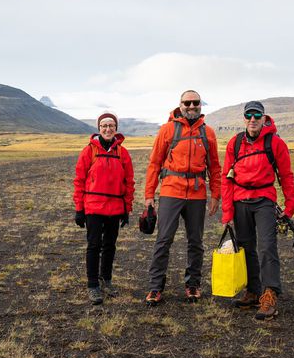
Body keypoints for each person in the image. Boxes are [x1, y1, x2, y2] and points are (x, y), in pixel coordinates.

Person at [221, 100, 294, 320]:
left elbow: (285, 176)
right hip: (239, 200)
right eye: (249, 116)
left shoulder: (275, 143)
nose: (252, 119)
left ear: (264, 118)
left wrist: (290, 205)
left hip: (264, 199)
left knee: (267, 247)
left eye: (257, 115)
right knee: (246, 247)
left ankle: (270, 294)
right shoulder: (235, 143)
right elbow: (226, 179)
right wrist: (227, 212)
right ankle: (253, 291)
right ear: (244, 118)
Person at [144, 90, 222, 305]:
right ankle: (155, 287)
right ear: (180, 104)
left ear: (200, 105)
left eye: (195, 102)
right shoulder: (167, 130)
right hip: (171, 191)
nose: (191, 106)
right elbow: (154, 164)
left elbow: (215, 167)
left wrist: (216, 194)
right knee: (163, 240)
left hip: (197, 194)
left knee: (196, 242)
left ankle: (193, 285)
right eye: (187, 102)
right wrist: (149, 195)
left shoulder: (209, 133)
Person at [73, 112, 135, 305]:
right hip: (93, 207)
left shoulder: (122, 153)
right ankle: (93, 285)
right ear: (99, 129)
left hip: (115, 208)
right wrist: (79, 209)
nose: (108, 129)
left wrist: (127, 208)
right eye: (104, 126)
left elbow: (129, 182)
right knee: (94, 246)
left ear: (116, 129)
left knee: (110, 246)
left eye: (111, 126)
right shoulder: (88, 151)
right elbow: (79, 181)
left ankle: (106, 280)